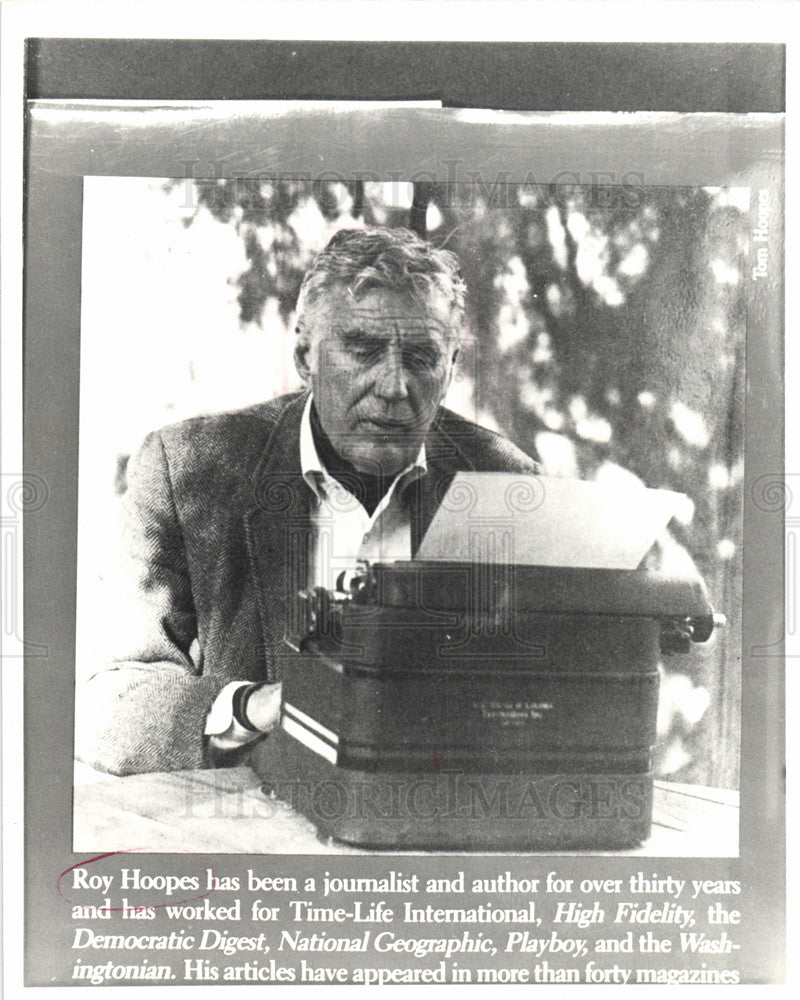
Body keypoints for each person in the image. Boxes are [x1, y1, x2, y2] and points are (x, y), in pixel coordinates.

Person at [76, 227, 539, 775]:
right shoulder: (188, 469)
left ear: (452, 367)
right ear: (304, 353)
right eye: (363, 349)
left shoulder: (505, 484)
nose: (394, 386)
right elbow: (107, 705)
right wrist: (258, 706)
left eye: (421, 356)